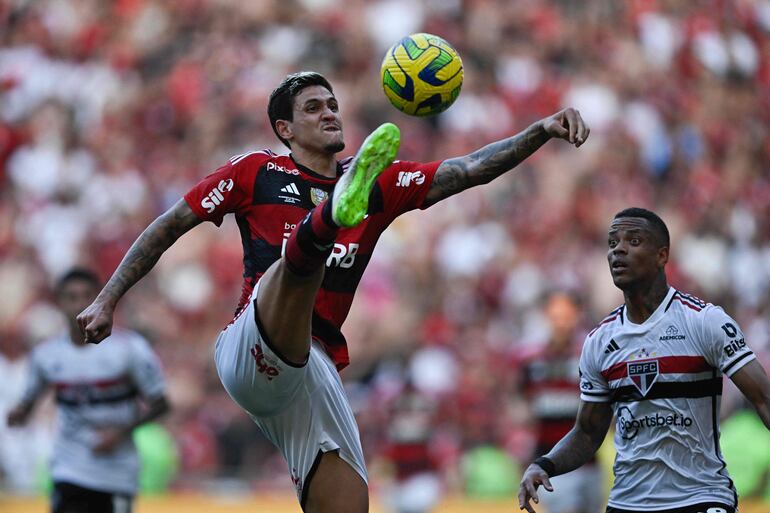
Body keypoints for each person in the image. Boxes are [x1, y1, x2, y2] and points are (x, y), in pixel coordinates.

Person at [77, 71, 589, 513]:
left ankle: (325, 221)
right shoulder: (255, 171)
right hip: (252, 341)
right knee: (298, 266)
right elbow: (170, 224)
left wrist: (540, 130)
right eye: (313, 108)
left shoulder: (379, 183)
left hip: (312, 367)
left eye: (333, 105)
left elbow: (469, 168)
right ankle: (326, 220)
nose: (330, 113)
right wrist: (107, 298)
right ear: (285, 129)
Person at [519, 208, 770, 513]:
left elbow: (763, 398)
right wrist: (544, 464)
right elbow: (587, 432)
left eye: (634, 240)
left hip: (700, 497)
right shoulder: (600, 341)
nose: (618, 250)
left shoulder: (704, 322)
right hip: (628, 503)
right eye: (612, 243)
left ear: (662, 255)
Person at [7, 268, 170, 513]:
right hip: (69, 467)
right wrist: (18, 414)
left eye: (87, 296)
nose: (79, 305)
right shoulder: (46, 356)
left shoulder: (129, 350)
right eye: (71, 297)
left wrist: (121, 432)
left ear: (99, 299)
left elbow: (161, 404)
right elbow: (27, 404)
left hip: (117, 473)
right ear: (59, 302)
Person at [517, 293, 602, 513]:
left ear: (577, 317)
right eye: (555, 315)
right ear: (546, 316)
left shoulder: (587, 356)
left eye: (566, 315)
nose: (561, 322)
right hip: (550, 458)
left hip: (588, 460)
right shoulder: (532, 362)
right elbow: (521, 405)